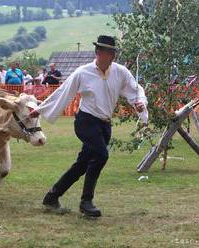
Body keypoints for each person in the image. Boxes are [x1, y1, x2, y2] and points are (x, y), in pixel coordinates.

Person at [29, 35, 149, 217]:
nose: (113, 56)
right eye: (109, 52)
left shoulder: (120, 72)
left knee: (82, 165)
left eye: (114, 52)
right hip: (85, 121)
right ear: (99, 53)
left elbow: (135, 89)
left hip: (104, 125)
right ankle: (86, 202)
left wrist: (139, 102)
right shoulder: (82, 72)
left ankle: (52, 196)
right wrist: (41, 108)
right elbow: (63, 92)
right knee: (101, 155)